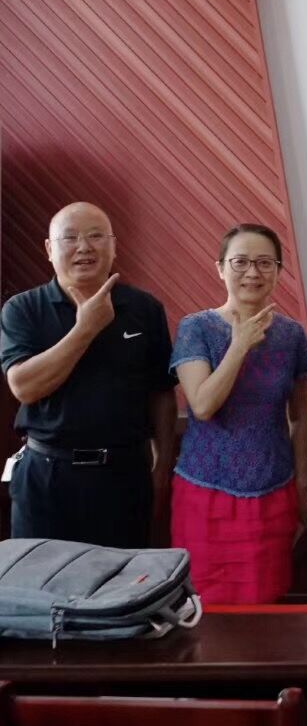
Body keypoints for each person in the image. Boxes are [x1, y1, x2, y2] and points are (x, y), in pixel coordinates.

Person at [1, 202, 175, 548]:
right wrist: (86, 328)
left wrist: (162, 468)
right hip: (47, 476)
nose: (84, 247)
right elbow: (24, 387)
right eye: (70, 238)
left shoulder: (144, 309)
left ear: (113, 246)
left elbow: (161, 393)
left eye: (96, 236)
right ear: (49, 249)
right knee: (43, 579)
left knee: (122, 579)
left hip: (124, 476)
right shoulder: (22, 309)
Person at [169, 223, 307, 603]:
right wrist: (239, 347)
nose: (253, 272)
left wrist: (301, 488)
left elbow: (300, 418)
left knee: (266, 607)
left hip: (273, 492)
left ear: (278, 271)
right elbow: (202, 405)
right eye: (241, 262)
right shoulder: (196, 328)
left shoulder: (291, 335)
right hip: (205, 494)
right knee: (205, 611)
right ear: (221, 268)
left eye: (265, 263)